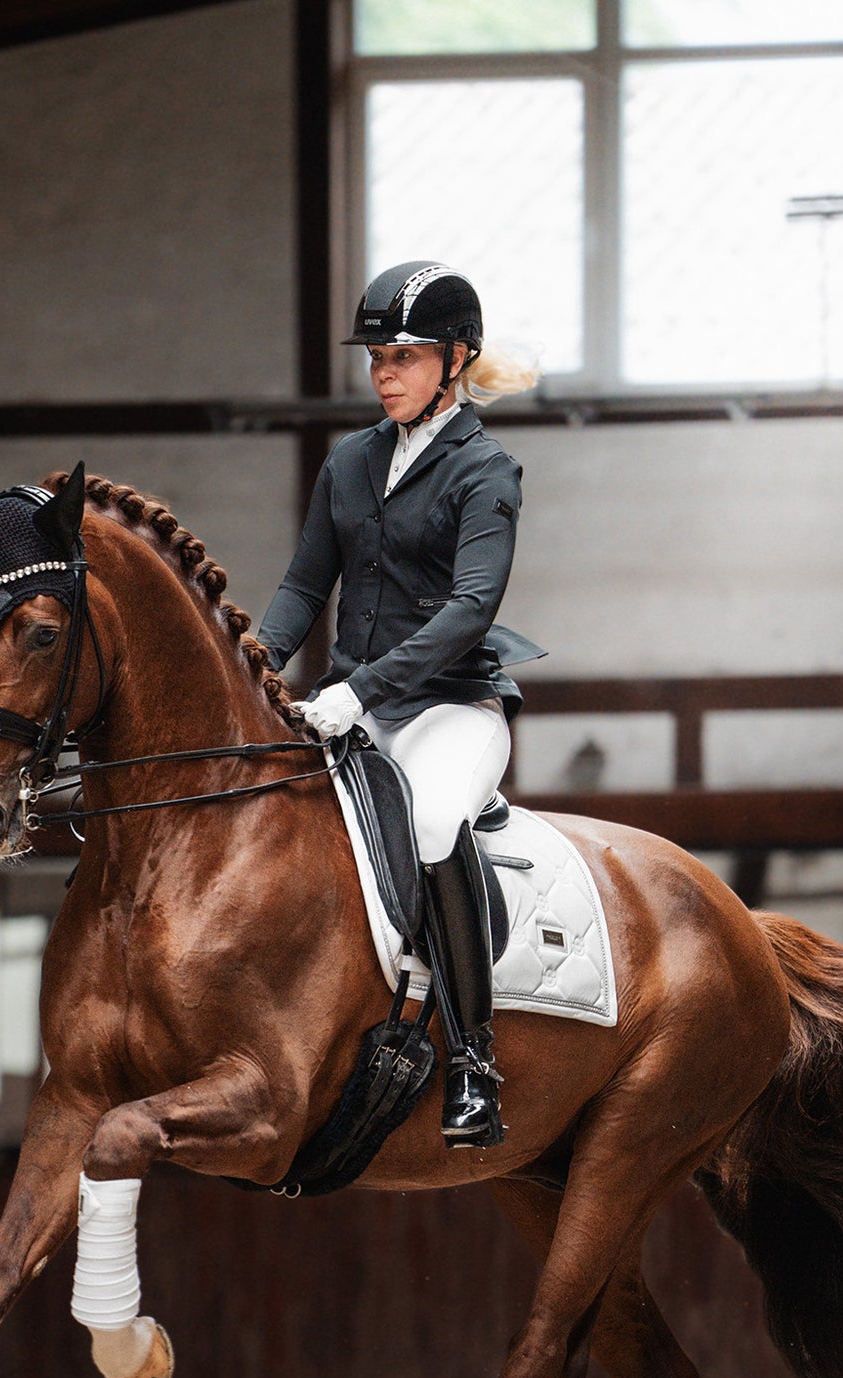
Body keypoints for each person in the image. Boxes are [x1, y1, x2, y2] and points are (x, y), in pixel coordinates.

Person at [257, 262, 543, 1149]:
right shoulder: (350, 461)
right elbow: (307, 584)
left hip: (449, 708)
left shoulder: (486, 469)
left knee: (426, 829)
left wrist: (359, 692)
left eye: (405, 357)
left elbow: (469, 611)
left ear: (455, 360)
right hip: (350, 700)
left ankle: (473, 1065)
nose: (383, 373)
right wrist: (255, 670)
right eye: (377, 356)